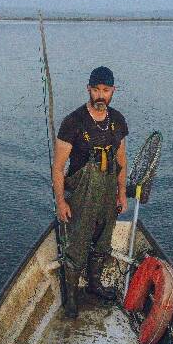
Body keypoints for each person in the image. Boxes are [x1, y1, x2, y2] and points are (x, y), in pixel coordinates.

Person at [51, 66, 129, 318]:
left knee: (103, 239)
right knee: (78, 243)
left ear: (113, 91)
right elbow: (58, 167)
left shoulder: (117, 121)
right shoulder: (73, 122)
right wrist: (61, 202)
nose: (100, 95)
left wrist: (122, 194)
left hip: (108, 193)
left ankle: (95, 285)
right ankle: (71, 300)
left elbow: (121, 161)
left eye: (106, 90)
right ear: (88, 89)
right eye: (96, 89)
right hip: (82, 194)